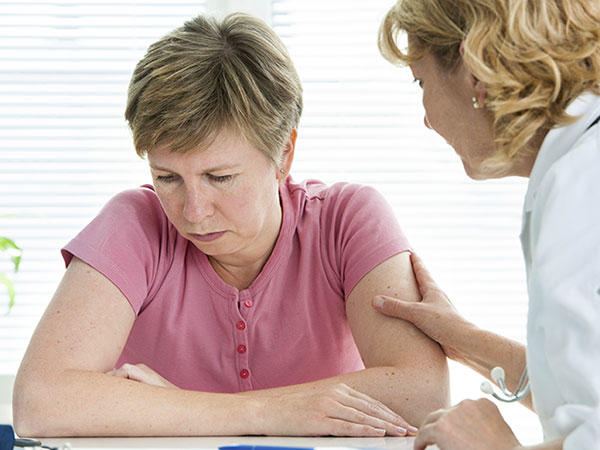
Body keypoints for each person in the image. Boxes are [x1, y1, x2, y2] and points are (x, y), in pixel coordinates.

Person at [12, 12, 449, 438]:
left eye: (219, 177)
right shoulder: (135, 225)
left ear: (284, 154)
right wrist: (265, 412)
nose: (193, 211)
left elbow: (422, 394)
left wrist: (174, 408)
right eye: (167, 178)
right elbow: (39, 401)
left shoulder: (348, 220)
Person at [373, 0, 600, 449]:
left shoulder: (581, 191)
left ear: (475, 70)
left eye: (421, 81)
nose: (426, 118)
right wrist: (464, 341)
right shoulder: (577, 166)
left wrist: (495, 447)